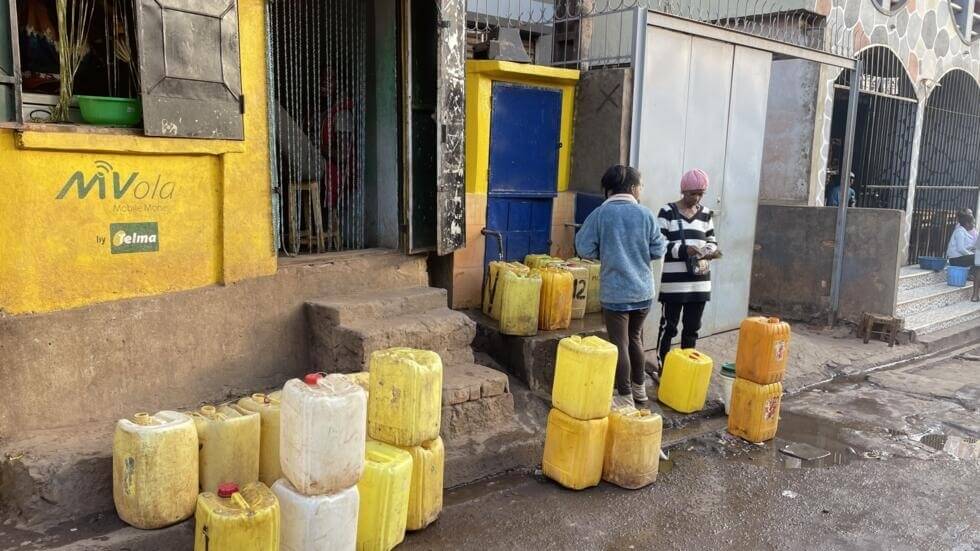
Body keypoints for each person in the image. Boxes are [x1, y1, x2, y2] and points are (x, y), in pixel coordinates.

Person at [575, 166, 667, 407]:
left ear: (608, 190)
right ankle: (640, 392)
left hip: (615, 293)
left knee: (620, 343)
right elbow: (658, 250)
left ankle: (624, 396)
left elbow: (584, 248)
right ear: (635, 189)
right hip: (643, 291)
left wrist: (607, 252)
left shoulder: (599, 215)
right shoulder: (645, 215)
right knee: (635, 338)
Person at [657, 169, 721, 369]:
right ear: (683, 191)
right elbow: (659, 244)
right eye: (693, 193)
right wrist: (686, 250)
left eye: (701, 193)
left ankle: (685, 369)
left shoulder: (706, 214)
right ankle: (663, 367)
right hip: (674, 285)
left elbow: (712, 241)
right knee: (669, 328)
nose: (697, 197)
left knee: (692, 329)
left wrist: (709, 250)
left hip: (699, 283)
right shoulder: (667, 212)